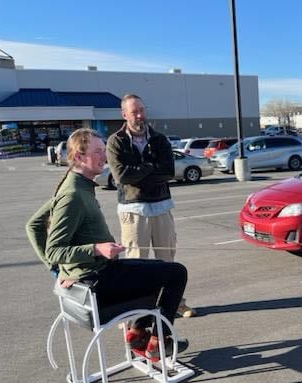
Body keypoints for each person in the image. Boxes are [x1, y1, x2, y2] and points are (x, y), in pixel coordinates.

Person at [26, 128, 189, 360]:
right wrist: (92, 251)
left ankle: (137, 333)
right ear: (79, 157)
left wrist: (60, 269)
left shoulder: (78, 185)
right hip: (99, 279)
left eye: (104, 150)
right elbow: (54, 250)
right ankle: (158, 344)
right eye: (98, 151)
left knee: (156, 269)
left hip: (99, 273)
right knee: (176, 273)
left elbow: (33, 225)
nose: (104, 156)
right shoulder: (73, 195)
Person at [106, 94, 194, 318]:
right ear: (124, 114)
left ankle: (174, 304)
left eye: (142, 110)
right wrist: (150, 168)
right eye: (134, 112)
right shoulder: (116, 141)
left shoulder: (159, 139)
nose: (140, 115)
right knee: (136, 263)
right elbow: (122, 176)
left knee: (167, 260)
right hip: (133, 209)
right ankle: (134, 312)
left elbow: (168, 172)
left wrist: (141, 171)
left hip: (162, 206)